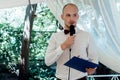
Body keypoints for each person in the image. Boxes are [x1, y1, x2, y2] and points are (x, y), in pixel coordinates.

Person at [45, 3, 98, 80]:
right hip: (60, 78)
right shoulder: (55, 37)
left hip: (81, 78)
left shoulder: (86, 36)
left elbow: (94, 58)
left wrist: (93, 68)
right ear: (62, 17)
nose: (71, 18)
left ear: (78, 17)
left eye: (74, 15)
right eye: (68, 15)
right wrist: (63, 46)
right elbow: (48, 61)